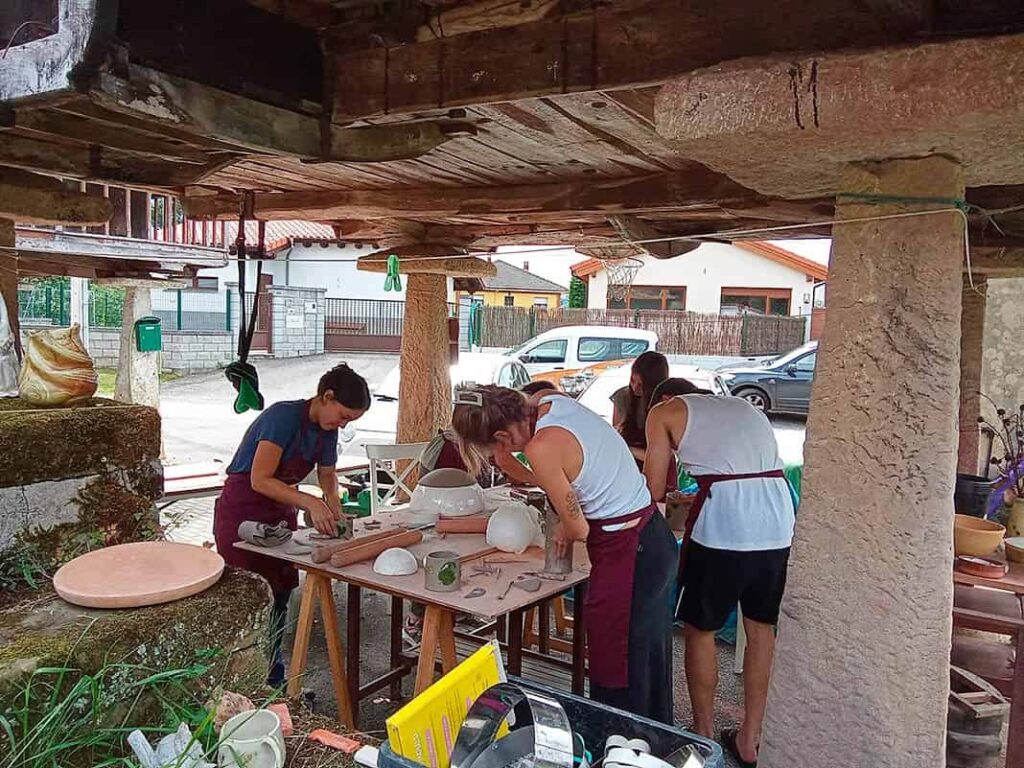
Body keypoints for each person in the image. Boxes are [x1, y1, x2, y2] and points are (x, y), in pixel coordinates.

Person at [451, 385, 677, 722]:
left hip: (632, 551)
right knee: (644, 653)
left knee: (617, 658)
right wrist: (515, 462)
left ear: (501, 434)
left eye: (494, 445)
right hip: (652, 538)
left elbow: (579, 528)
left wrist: (563, 528)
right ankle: (653, 736)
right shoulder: (548, 401)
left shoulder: (542, 447)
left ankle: (620, 742)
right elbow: (546, 473)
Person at [644, 392, 795, 766]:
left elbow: (651, 490)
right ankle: (750, 737)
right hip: (778, 523)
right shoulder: (740, 406)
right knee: (762, 630)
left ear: (665, 397)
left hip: (723, 529)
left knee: (701, 629)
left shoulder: (663, 412)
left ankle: (704, 733)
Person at [213, 363, 371, 686]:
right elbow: (259, 479)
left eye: (349, 421)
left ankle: (273, 682)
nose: (342, 425)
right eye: (342, 416)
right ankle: (238, 684)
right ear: (326, 397)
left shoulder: (328, 432)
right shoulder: (282, 418)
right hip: (242, 512)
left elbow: (328, 476)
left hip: (279, 515)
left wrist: (334, 512)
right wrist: (310, 502)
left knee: (279, 599)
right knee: (246, 602)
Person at [611, 351, 669, 465]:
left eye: (641, 385)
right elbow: (615, 435)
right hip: (627, 464)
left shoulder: (666, 402)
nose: (634, 388)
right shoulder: (623, 397)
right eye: (632, 381)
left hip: (658, 466)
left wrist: (627, 448)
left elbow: (666, 455)